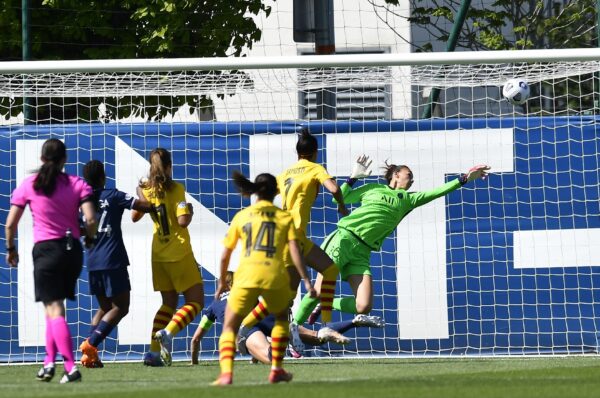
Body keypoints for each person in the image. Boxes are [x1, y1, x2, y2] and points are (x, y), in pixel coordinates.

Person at [294, 155, 491, 322]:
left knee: (363, 306)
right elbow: (339, 197)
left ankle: (327, 304)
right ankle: (290, 331)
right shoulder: (372, 189)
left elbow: (438, 191)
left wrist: (465, 178)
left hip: (362, 253)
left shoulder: (408, 199)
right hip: (344, 239)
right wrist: (353, 178)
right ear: (396, 175)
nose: (411, 180)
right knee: (318, 290)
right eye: (409, 175)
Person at [240, 127, 349, 353]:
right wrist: (341, 205)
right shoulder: (316, 168)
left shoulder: (287, 172)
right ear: (316, 152)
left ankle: (326, 324)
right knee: (285, 299)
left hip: (296, 237)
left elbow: (264, 195)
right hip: (292, 238)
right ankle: (245, 326)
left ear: (297, 152)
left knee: (329, 269)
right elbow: (335, 188)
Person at [5, 138, 97, 383]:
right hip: (72, 250)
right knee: (55, 307)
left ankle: (70, 367)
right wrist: (89, 239)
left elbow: (10, 224)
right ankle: (48, 363)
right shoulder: (77, 184)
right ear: (65, 159)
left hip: (46, 251)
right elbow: (90, 220)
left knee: (53, 307)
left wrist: (11, 249)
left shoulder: (29, 185)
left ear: (42, 159)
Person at [212, 171, 315, 385]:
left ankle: (226, 374)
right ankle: (276, 369)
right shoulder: (284, 217)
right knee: (280, 321)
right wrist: (305, 279)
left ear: (255, 192)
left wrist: (222, 281)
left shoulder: (242, 216)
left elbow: (225, 254)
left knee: (230, 326)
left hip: (246, 275)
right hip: (273, 275)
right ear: (276, 191)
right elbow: (295, 250)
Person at [189, 272, 384, 365]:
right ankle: (353, 322)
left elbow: (196, 339)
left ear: (222, 287)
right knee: (318, 336)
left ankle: (281, 341)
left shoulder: (214, 307)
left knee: (271, 357)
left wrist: (194, 363)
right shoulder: (248, 294)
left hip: (244, 327)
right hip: (263, 314)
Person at [78, 160, 155, 368]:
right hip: (113, 259)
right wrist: (141, 191)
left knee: (104, 307)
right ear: (103, 176)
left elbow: (81, 230)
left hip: (93, 261)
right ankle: (90, 344)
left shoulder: (83, 202)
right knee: (121, 307)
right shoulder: (113, 195)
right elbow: (147, 207)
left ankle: (90, 356)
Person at [131, 148, 203, 367]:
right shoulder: (177, 189)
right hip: (178, 252)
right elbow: (182, 221)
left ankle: (153, 353)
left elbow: (135, 216)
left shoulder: (147, 190)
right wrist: (189, 210)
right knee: (196, 301)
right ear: (170, 167)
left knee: (168, 303)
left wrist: (141, 193)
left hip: (158, 255)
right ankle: (169, 333)